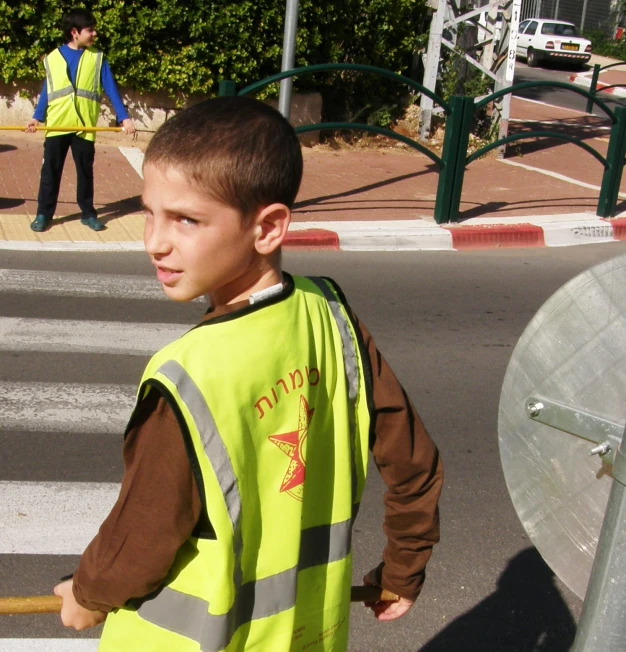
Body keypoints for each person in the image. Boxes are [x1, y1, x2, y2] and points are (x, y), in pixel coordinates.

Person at [52, 96, 443, 651]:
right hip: (309, 633)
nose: (155, 241)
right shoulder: (330, 313)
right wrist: (403, 568)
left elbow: (143, 533)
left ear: (268, 229)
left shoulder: (187, 374)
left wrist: (87, 595)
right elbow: (413, 460)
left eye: (187, 219)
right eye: (149, 211)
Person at [25, 8, 135, 233]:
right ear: (75, 32)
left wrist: (123, 117)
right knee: (50, 172)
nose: (94, 34)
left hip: (84, 125)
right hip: (57, 124)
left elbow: (110, 88)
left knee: (85, 171)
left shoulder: (97, 58)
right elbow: (48, 89)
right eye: (90, 30)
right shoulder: (53, 58)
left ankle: (88, 213)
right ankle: (43, 214)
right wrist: (37, 117)